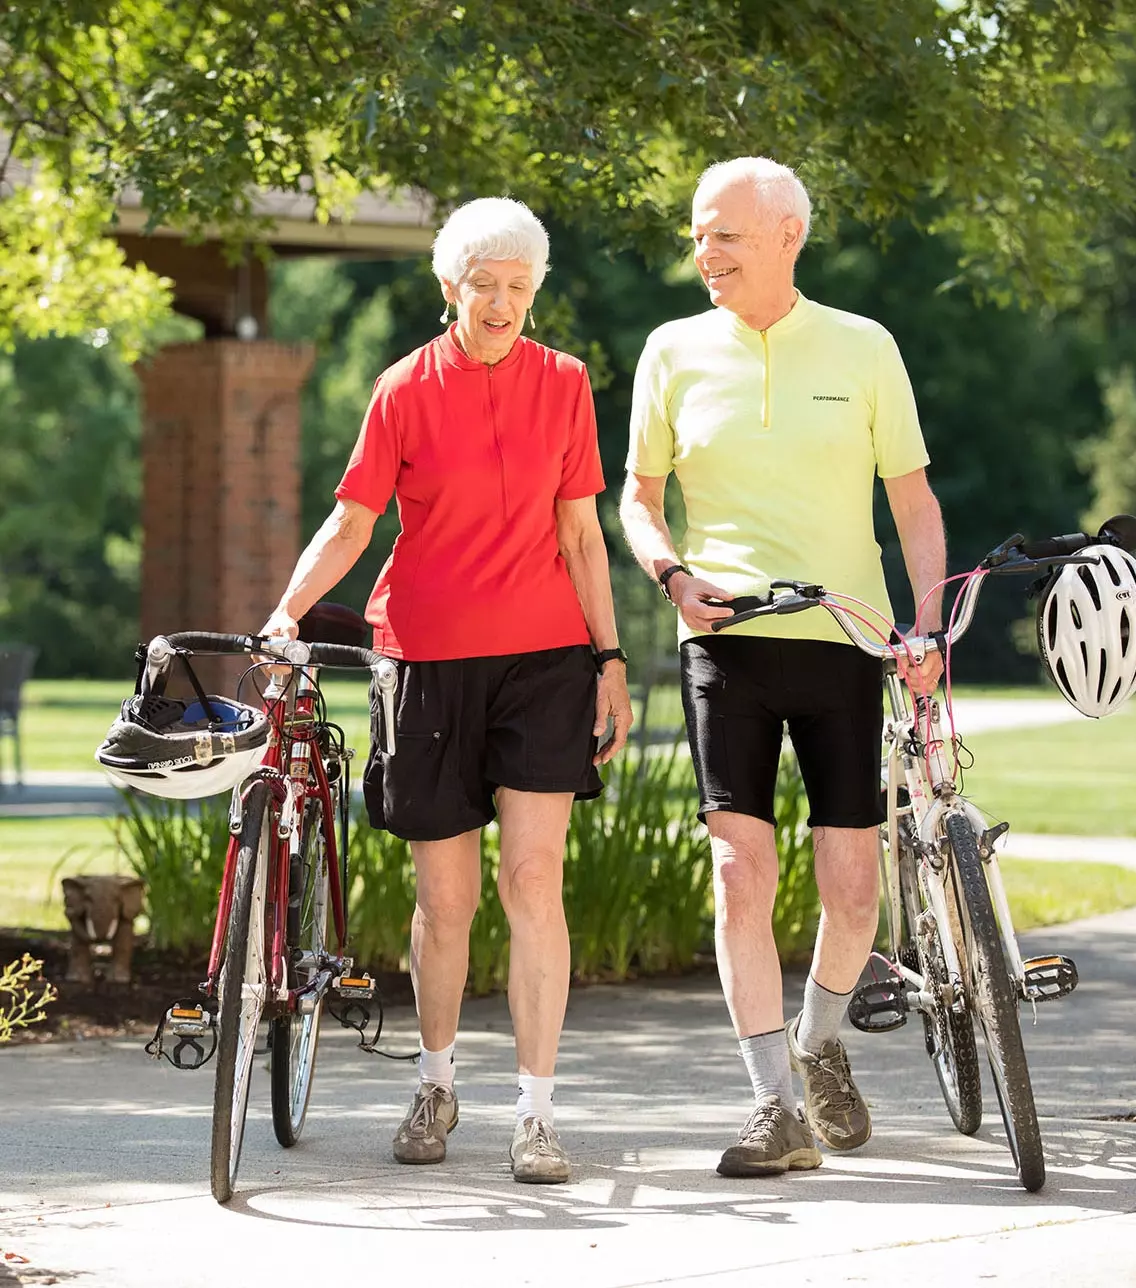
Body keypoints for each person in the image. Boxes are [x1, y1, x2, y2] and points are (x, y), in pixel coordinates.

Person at [261, 196, 633, 1184]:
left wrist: (612, 660)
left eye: (520, 287)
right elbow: (350, 524)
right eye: (486, 286)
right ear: (449, 288)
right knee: (447, 895)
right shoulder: (401, 390)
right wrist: (286, 611)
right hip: (424, 660)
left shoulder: (565, 383)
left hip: (545, 659)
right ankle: (434, 1083)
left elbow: (584, 534)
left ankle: (538, 1113)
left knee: (532, 879)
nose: (504, 303)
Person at [619, 157, 946, 1178]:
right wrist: (672, 575)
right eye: (699, 236)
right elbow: (635, 497)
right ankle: (771, 1103)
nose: (704, 254)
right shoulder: (672, 349)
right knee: (737, 871)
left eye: (725, 235)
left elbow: (915, 504)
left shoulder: (864, 347)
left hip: (846, 639)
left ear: (787, 236)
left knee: (854, 891)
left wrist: (926, 628)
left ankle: (816, 1046)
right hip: (724, 644)